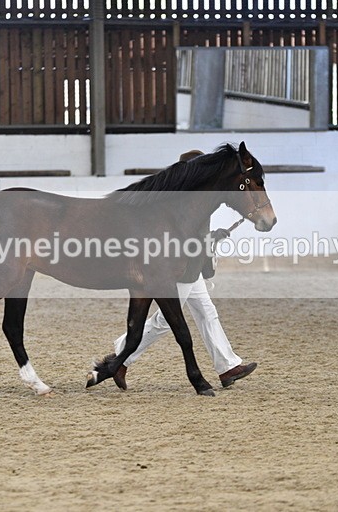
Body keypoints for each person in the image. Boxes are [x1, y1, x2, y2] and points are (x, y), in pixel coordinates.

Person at [107, 149, 257, 390]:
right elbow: (186, 239)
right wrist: (211, 239)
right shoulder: (184, 203)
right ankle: (122, 355)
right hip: (182, 268)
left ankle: (228, 367)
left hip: (192, 266)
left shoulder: (198, 200)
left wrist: (213, 236)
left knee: (207, 313)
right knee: (165, 322)